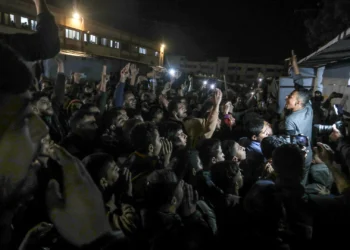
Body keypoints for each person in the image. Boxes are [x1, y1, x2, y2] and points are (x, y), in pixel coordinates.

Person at [284, 88, 313, 185]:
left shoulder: (290, 120)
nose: (286, 97)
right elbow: (306, 97)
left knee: (295, 184)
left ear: (299, 102)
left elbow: (292, 142)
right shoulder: (309, 108)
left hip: (299, 157)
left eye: (290, 97)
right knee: (303, 183)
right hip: (309, 154)